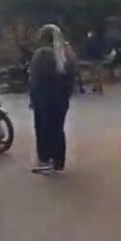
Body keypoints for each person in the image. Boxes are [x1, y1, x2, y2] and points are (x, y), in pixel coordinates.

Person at [29, 25, 75, 174]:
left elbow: (35, 79)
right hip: (61, 99)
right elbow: (71, 78)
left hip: (43, 98)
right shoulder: (67, 54)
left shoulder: (41, 54)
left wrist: (33, 98)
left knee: (43, 129)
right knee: (57, 129)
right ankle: (58, 162)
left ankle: (44, 161)